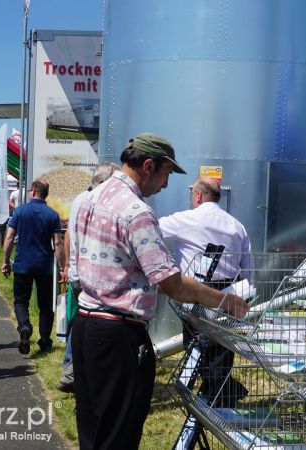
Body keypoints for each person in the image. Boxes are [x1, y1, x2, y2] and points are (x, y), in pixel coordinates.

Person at [70, 133, 248, 449]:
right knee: (117, 435)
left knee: (93, 428)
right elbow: (171, 283)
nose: (165, 185)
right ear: (149, 165)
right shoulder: (136, 211)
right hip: (117, 334)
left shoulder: (90, 198)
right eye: (166, 174)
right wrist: (225, 301)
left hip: (85, 324)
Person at [159, 176, 252, 405]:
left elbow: (152, 231)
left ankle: (213, 394)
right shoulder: (236, 225)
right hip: (227, 291)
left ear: (198, 196)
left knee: (195, 340)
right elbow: (248, 267)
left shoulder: (185, 219)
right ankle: (219, 390)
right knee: (222, 344)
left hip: (194, 290)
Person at [56, 162, 118, 393]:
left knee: (80, 322)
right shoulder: (95, 201)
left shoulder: (80, 199)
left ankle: (71, 370)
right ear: (102, 182)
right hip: (87, 275)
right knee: (90, 324)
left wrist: (69, 266)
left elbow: (70, 235)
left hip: (78, 273)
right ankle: (77, 372)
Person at [2, 180, 64, 356]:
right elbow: (58, 244)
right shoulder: (53, 215)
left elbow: (9, 238)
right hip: (44, 266)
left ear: (34, 191)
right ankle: (44, 341)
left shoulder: (20, 211)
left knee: (21, 301)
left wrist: (6, 261)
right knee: (46, 304)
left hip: (22, 264)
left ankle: (25, 327)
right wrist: (62, 267)